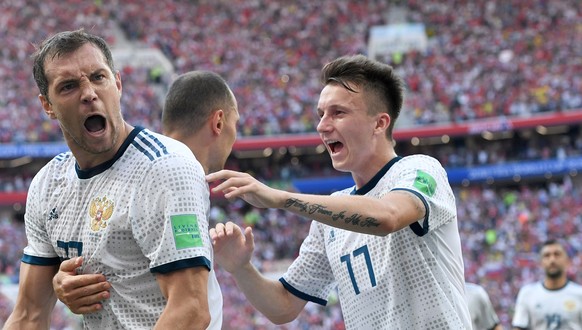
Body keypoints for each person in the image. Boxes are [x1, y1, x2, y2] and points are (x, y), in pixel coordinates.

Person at [207, 54, 471, 329]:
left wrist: (280, 198)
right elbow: (284, 306)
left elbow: (388, 217)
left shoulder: (421, 169)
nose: (322, 125)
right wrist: (241, 268)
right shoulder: (330, 217)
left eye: (338, 113)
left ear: (379, 123)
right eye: (321, 114)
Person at [3, 30, 223, 329]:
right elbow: (29, 316)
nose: (89, 93)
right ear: (48, 106)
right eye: (68, 86)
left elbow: (191, 310)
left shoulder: (166, 167)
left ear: (117, 84)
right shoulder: (47, 184)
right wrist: (60, 284)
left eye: (98, 77)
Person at [49, 70, 239, 321]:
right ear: (219, 122)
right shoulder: (168, 177)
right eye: (236, 124)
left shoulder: (145, 172)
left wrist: (63, 283)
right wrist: (60, 283)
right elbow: (190, 309)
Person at [512, 239, 582, 330]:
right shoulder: (527, 294)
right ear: (540, 263)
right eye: (547, 255)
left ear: (567, 261)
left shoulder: (579, 294)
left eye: (557, 254)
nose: (552, 259)